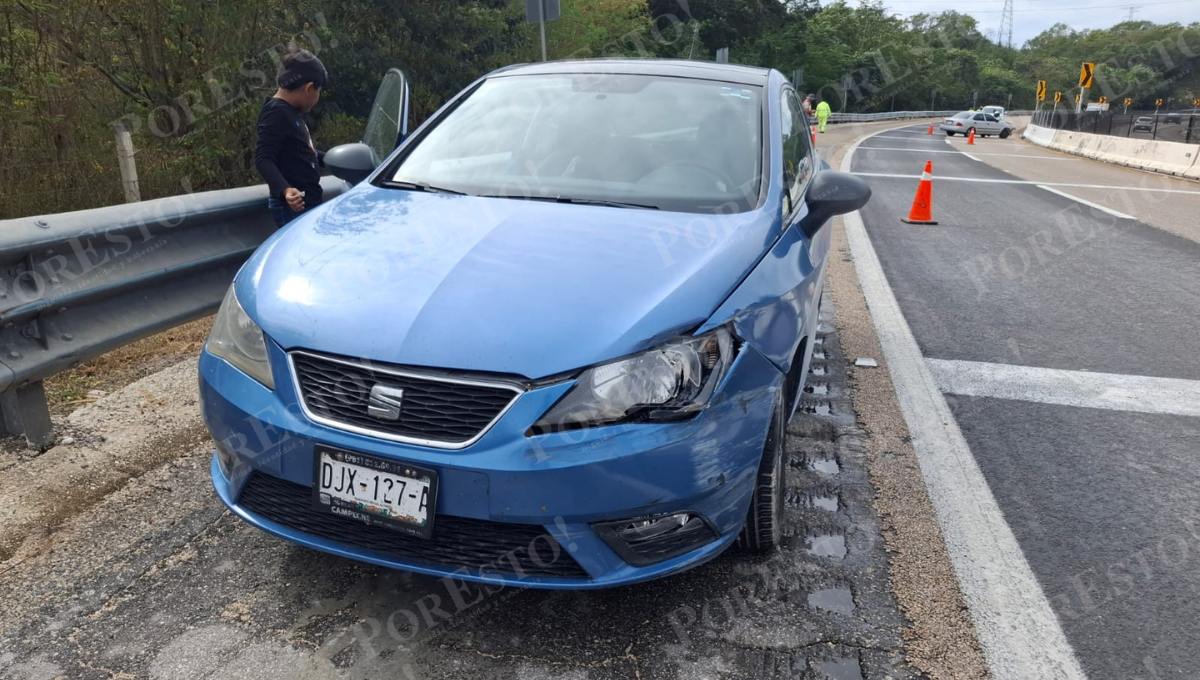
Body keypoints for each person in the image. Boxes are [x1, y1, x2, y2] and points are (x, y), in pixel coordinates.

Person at [255, 48, 327, 228]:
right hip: (294, 205)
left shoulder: (289, 112)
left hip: (306, 201)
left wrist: (333, 159)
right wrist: (285, 190)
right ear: (309, 88)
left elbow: (301, 151)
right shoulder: (276, 113)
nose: (318, 97)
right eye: (318, 91)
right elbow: (263, 158)